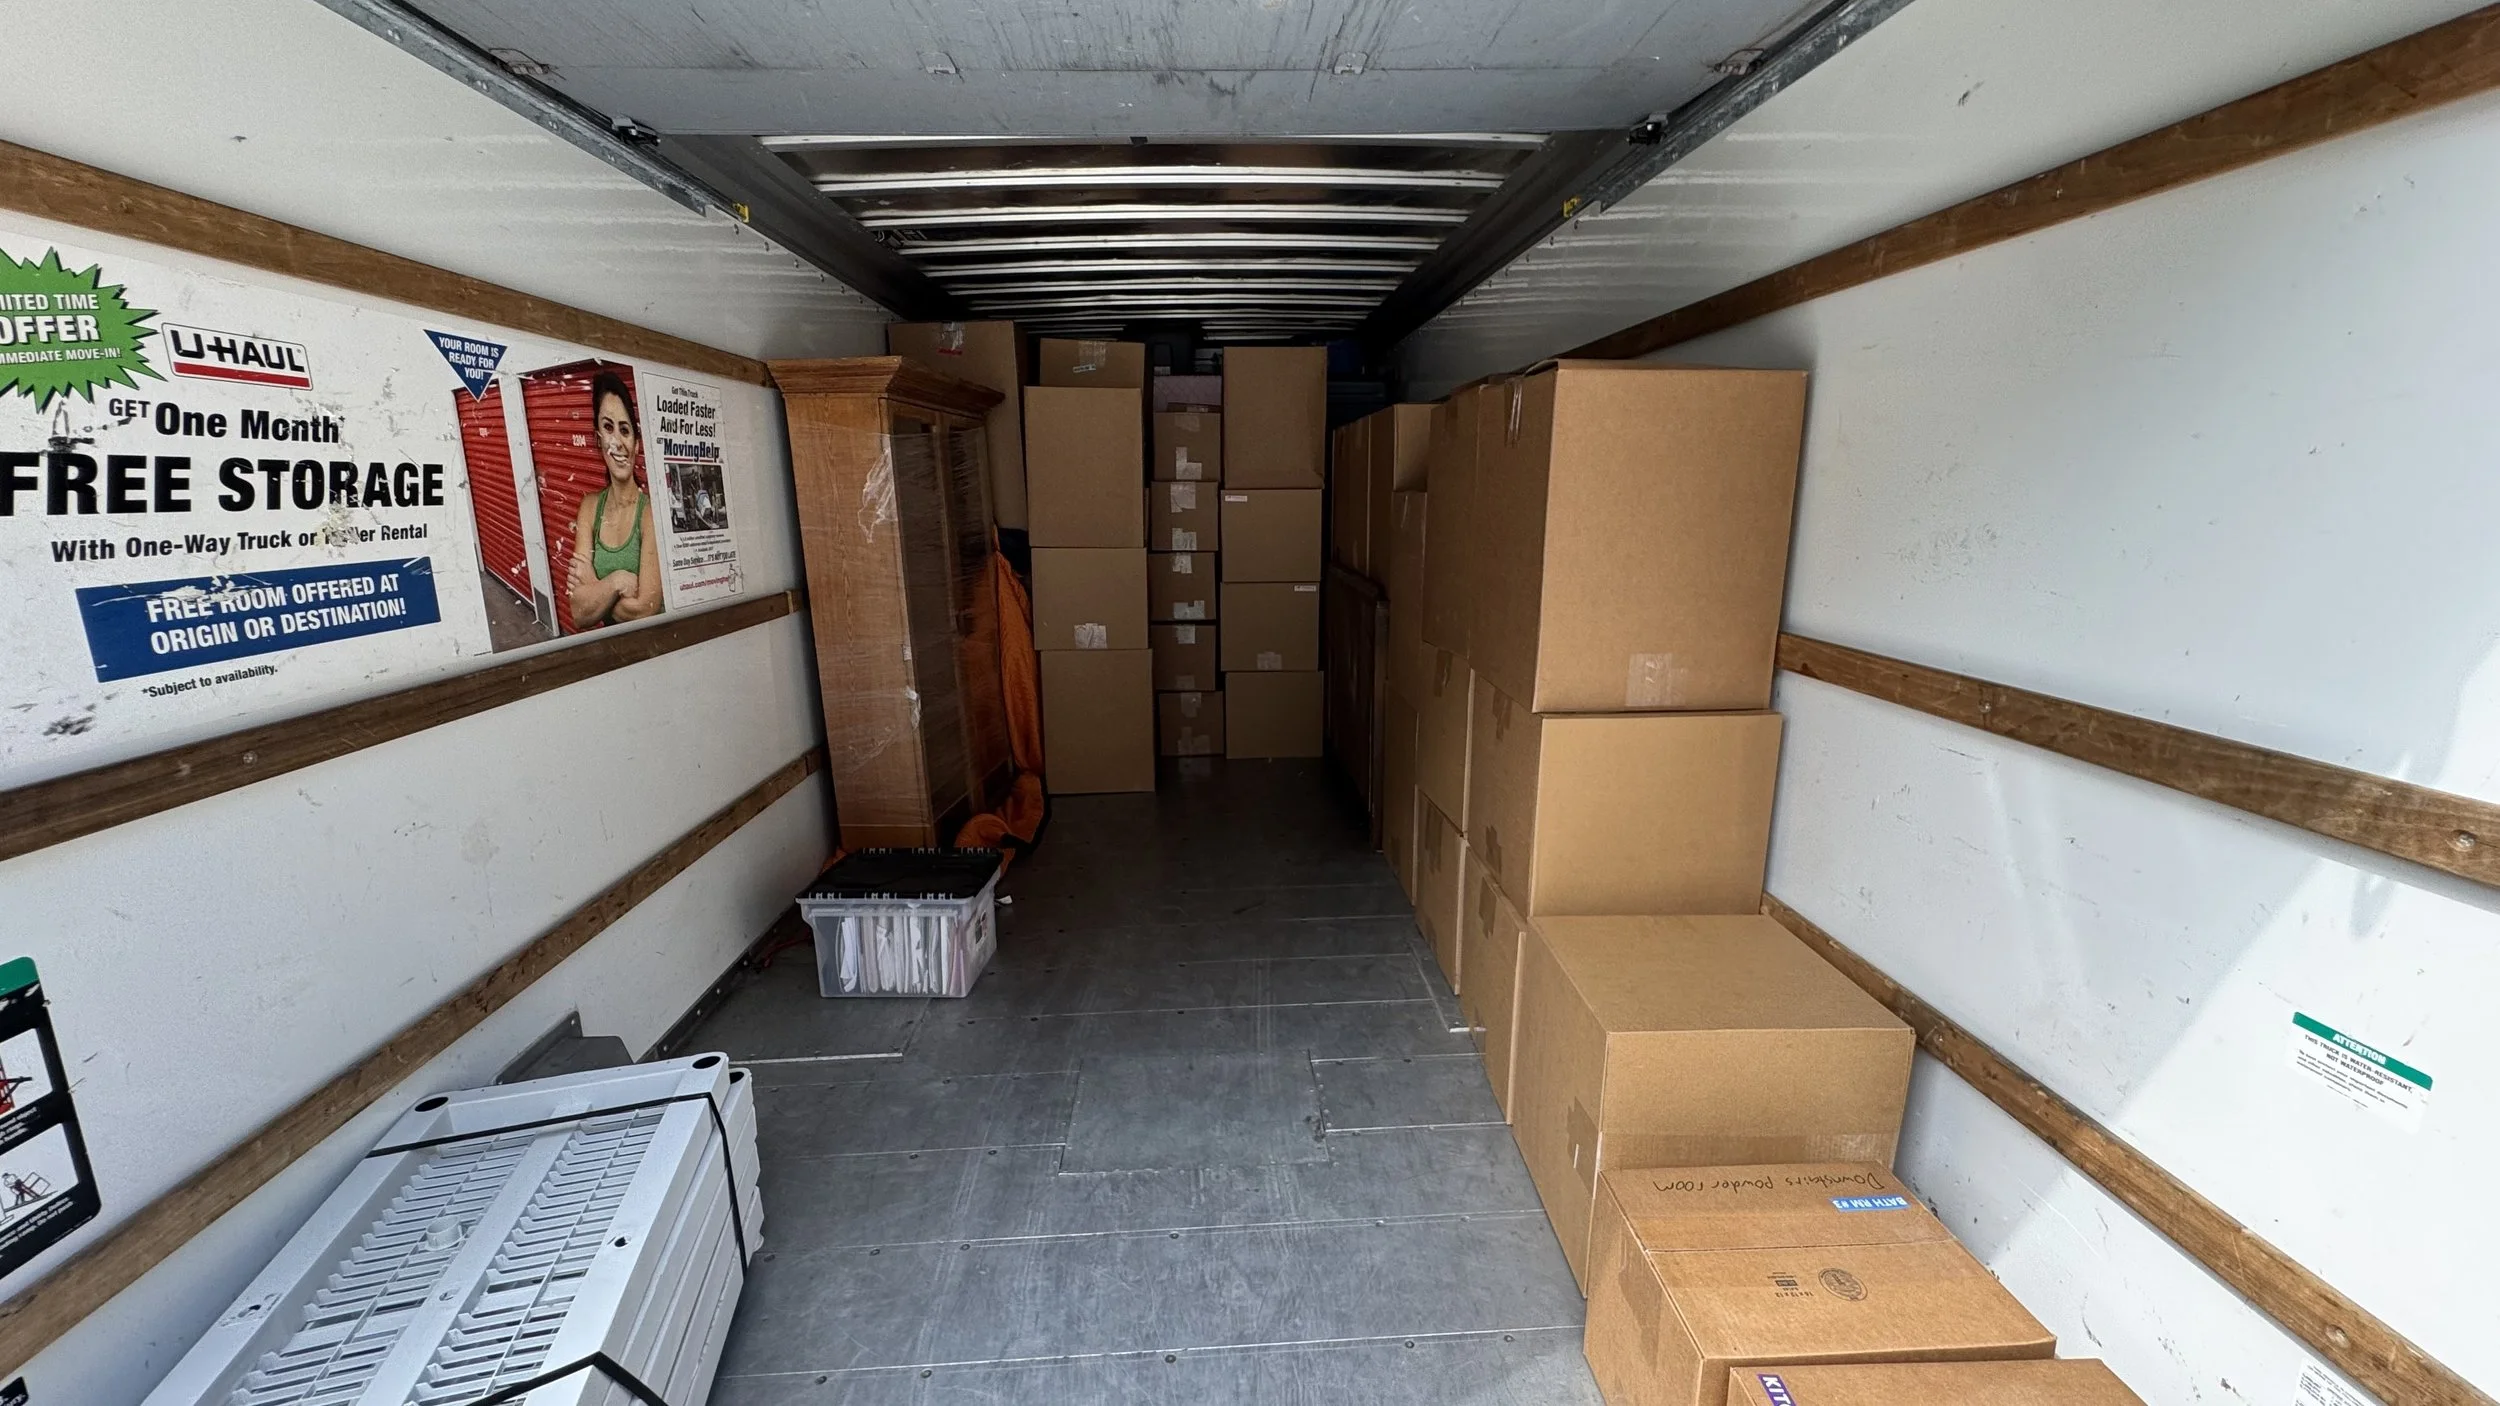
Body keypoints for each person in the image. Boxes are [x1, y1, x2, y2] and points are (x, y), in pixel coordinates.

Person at [568, 370, 664, 628]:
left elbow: (646, 610)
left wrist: (595, 589)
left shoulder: (651, 512)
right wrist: (617, 581)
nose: (618, 442)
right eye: (608, 427)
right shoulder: (589, 508)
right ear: (597, 438)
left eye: (625, 430)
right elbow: (578, 611)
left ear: (637, 444)